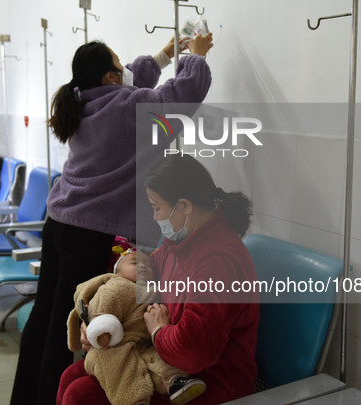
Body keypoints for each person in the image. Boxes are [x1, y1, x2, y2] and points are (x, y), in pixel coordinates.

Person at [11, 33, 214, 405]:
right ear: (108, 77)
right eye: (119, 66)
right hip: (90, 234)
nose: (126, 71)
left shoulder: (81, 102)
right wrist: (195, 58)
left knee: (44, 318)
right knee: (65, 330)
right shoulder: (125, 107)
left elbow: (134, 77)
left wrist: (165, 54)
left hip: (58, 223)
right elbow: (179, 96)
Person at [57, 155, 260, 405]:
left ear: (184, 206)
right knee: (71, 376)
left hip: (209, 381)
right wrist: (100, 317)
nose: (155, 217)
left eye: (157, 207)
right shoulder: (182, 241)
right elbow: (142, 273)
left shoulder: (217, 262)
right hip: (164, 360)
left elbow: (194, 353)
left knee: (80, 396)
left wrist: (158, 330)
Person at [65, 248, 206, 405]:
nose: (144, 266)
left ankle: (174, 382)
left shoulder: (154, 291)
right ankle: (133, 400)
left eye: (150, 266)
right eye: (135, 263)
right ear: (117, 272)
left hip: (143, 343)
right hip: (113, 345)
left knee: (157, 359)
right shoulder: (117, 286)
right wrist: (100, 327)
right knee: (118, 367)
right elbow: (103, 305)